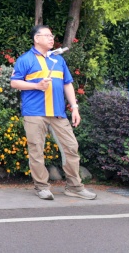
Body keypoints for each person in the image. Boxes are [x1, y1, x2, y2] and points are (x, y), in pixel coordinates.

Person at [9, 25, 96, 201]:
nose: (51, 38)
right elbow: (14, 83)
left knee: (71, 147)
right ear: (36, 39)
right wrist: (36, 85)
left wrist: (75, 107)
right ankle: (41, 187)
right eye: (47, 35)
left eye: (52, 35)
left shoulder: (58, 60)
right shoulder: (25, 59)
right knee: (36, 150)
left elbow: (67, 84)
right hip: (34, 113)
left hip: (58, 113)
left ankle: (74, 186)